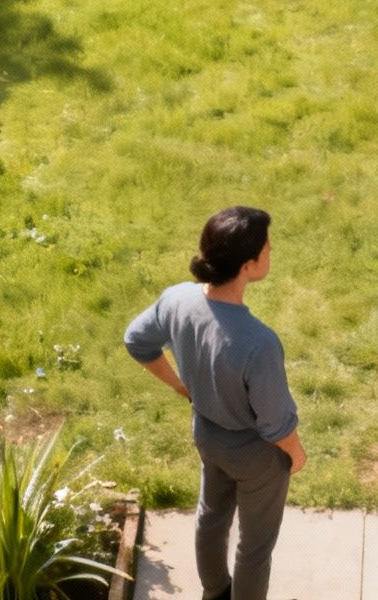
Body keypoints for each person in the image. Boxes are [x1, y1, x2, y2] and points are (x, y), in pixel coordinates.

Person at [125, 206, 303, 600]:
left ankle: (213, 592)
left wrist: (180, 386)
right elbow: (275, 423)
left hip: (207, 434)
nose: (271, 253)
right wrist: (296, 453)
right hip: (256, 455)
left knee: (211, 517)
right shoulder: (258, 342)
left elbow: (136, 341)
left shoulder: (176, 300)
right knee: (255, 548)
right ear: (247, 264)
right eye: (268, 249)